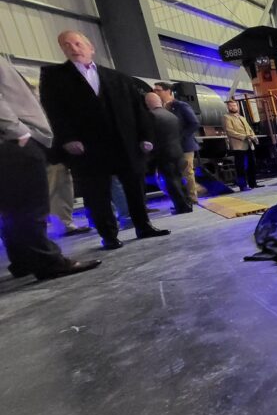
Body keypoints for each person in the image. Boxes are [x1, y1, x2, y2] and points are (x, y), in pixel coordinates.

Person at [39, 30, 170, 250]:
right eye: (66, 45)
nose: (73, 48)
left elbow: (138, 109)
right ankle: (108, 234)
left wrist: (145, 136)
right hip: (87, 147)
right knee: (96, 193)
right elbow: (53, 111)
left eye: (77, 43)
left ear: (91, 47)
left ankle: (143, 225)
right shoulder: (54, 77)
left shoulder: (118, 78)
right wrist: (67, 138)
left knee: (135, 187)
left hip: (125, 143)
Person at [0, 56, 101, 280]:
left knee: (13, 207)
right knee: (30, 206)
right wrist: (19, 131)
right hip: (13, 141)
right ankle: (48, 261)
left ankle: (23, 260)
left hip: (10, 141)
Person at [144, 92, 193, 214]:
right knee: (179, 179)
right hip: (177, 151)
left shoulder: (150, 116)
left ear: (148, 103)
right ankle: (187, 203)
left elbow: (150, 137)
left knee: (171, 181)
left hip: (164, 154)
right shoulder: (171, 115)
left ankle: (181, 207)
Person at [153, 82, 200, 203]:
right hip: (169, 147)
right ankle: (180, 198)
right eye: (154, 90)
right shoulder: (159, 108)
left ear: (168, 91)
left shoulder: (180, 105)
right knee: (172, 173)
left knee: (187, 172)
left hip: (184, 145)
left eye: (158, 90)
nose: (155, 92)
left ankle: (192, 197)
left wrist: (180, 137)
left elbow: (194, 123)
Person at [223, 99, 261, 191]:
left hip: (249, 144)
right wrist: (244, 136)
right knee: (240, 166)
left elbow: (249, 129)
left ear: (237, 106)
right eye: (231, 106)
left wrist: (253, 137)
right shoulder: (226, 117)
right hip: (238, 146)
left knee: (252, 164)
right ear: (228, 107)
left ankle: (253, 183)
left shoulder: (242, 117)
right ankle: (243, 186)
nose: (233, 107)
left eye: (234, 105)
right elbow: (229, 131)